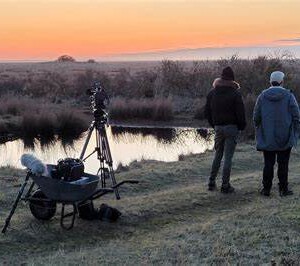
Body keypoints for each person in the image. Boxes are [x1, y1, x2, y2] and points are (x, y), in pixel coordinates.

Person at [253, 71, 300, 197]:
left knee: (268, 163)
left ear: (270, 81)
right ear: (282, 81)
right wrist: (295, 131)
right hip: (285, 136)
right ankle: (283, 189)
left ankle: (266, 189)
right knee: (283, 164)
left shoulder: (262, 96)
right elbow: (297, 115)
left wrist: (259, 129)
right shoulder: (289, 96)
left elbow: (256, 117)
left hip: (267, 137)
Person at [204, 66, 246, 193]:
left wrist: (215, 125)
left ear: (221, 77)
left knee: (218, 154)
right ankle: (225, 185)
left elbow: (207, 112)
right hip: (231, 128)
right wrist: (241, 127)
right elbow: (240, 113)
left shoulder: (212, 93)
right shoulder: (235, 93)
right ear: (232, 79)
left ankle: (211, 182)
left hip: (218, 128)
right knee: (228, 158)